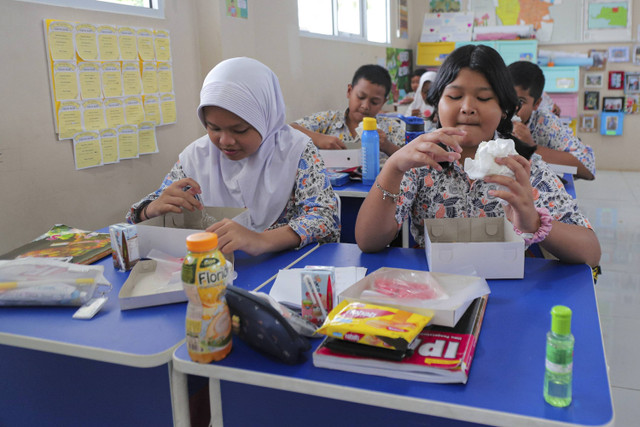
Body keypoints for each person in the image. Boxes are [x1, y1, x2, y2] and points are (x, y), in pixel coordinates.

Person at [355, 45, 601, 268]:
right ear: (437, 103)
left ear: (504, 109)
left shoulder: (523, 167)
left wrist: (534, 223)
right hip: (435, 290)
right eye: (454, 96)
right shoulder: (420, 164)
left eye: (483, 98)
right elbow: (368, 241)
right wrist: (393, 168)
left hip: (508, 292)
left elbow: (590, 252)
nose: (467, 107)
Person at [126, 57, 340, 256]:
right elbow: (140, 214)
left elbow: (324, 217)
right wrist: (150, 211)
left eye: (240, 130)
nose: (225, 141)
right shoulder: (196, 157)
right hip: (217, 271)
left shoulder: (296, 150)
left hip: (287, 267)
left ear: (266, 118)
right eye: (213, 128)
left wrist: (260, 240)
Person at [508, 61, 595, 180]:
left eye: (521, 101)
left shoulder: (545, 122)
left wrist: (531, 147)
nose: (512, 107)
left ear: (536, 104)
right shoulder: (492, 116)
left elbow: (588, 169)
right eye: (506, 98)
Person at [291, 64, 405, 156]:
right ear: (349, 91)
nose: (365, 106)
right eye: (360, 97)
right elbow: (290, 128)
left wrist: (387, 146)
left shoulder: (390, 128)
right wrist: (318, 138)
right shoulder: (328, 120)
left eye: (374, 102)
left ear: (383, 103)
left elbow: (413, 161)